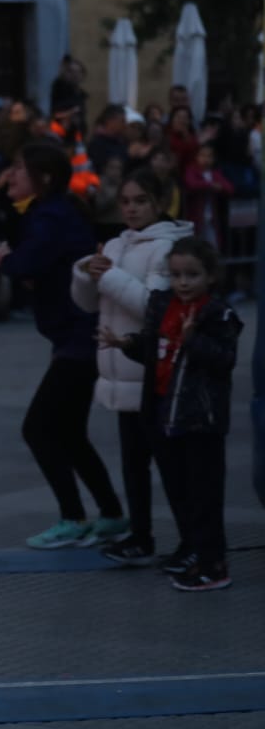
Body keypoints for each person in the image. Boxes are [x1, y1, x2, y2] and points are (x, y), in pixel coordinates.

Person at [0, 143, 128, 549]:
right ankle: (112, 515)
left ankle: (73, 517)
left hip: (79, 339)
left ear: (43, 178)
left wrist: (7, 262)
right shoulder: (51, 212)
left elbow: (28, 262)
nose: (9, 176)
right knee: (68, 431)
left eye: (17, 167)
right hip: (75, 335)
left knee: (39, 429)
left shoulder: (51, 215)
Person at [102, 237, 242, 591]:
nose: (182, 282)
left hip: (201, 418)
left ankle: (214, 563)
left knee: (205, 494)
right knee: (179, 488)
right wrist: (128, 344)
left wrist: (193, 338)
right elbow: (156, 348)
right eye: (176, 274)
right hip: (166, 413)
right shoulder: (163, 305)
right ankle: (192, 550)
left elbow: (224, 360)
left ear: (210, 277)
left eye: (192, 275)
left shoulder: (217, 313)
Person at [72, 169, 192, 568]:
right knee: (133, 464)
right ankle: (141, 535)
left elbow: (153, 308)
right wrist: (86, 275)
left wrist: (110, 276)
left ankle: (191, 542)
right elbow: (92, 305)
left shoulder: (167, 247)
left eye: (140, 201)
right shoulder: (119, 243)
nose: (131, 209)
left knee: (172, 465)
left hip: (153, 372)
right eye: (125, 201)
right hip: (122, 373)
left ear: (157, 202)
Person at [183, 141, 235, 249]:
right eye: (203, 155)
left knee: (212, 248)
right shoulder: (192, 170)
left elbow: (229, 188)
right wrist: (210, 185)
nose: (206, 159)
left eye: (209, 156)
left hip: (211, 219)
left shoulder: (215, 173)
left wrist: (220, 187)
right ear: (197, 157)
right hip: (195, 218)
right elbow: (191, 184)